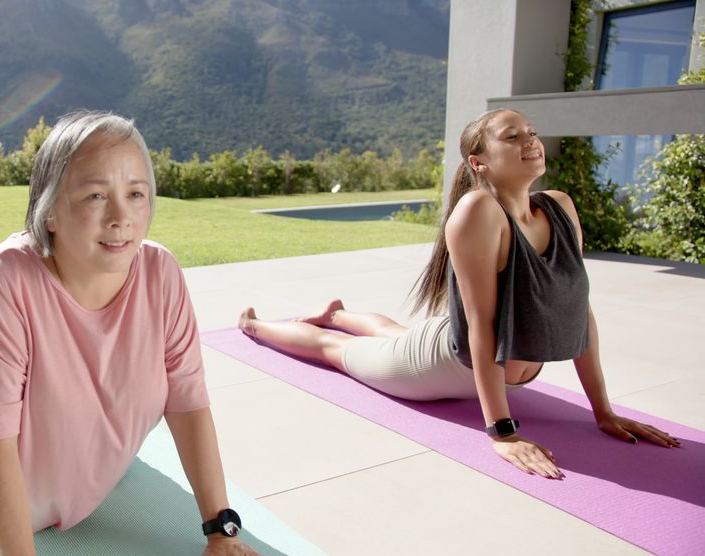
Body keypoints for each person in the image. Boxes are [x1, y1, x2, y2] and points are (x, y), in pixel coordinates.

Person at [0, 110, 286, 556]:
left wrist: (222, 530)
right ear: (49, 210)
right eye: (95, 195)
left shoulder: (160, 272)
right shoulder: (2, 281)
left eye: (136, 194)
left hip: (87, 447)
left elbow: (188, 400)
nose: (121, 218)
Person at [237, 108, 680, 479]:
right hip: (441, 364)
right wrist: (502, 432)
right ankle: (256, 325)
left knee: (394, 332)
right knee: (337, 352)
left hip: (467, 349)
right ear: (479, 163)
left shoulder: (560, 206)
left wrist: (603, 411)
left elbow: (576, 309)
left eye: (532, 132)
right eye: (512, 136)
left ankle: (337, 313)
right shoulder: (479, 212)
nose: (531, 140)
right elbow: (481, 329)